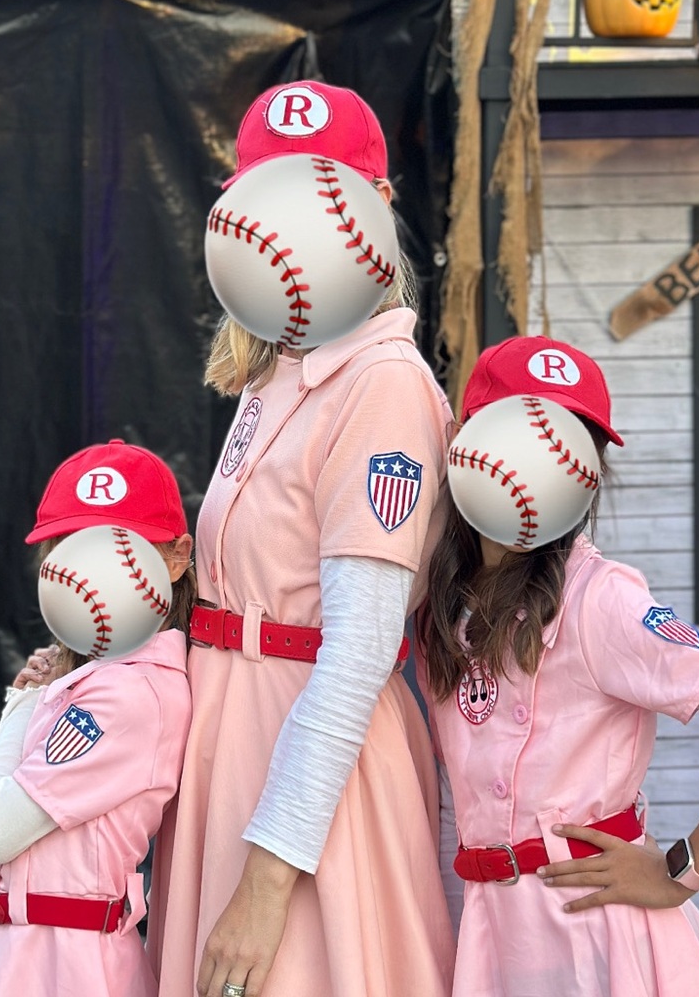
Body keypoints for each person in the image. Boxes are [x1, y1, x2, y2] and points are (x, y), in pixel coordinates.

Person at [145, 80, 456, 997]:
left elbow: (361, 649)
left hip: (312, 781)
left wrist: (268, 880)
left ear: (375, 211)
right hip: (230, 740)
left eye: (317, 198)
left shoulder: (383, 384)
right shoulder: (278, 370)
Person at [416, 335, 699, 997]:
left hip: (593, 935)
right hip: (489, 928)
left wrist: (678, 872)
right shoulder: (435, 598)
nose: (545, 465)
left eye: (573, 445)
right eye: (528, 432)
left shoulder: (600, 599)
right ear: (469, 442)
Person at [0, 439, 196, 997]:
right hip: (17, 953)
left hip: (68, 966)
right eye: (70, 548)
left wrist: (22, 706)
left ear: (176, 558)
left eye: (113, 550)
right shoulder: (96, 678)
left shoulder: (132, 694)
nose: (87, 572)